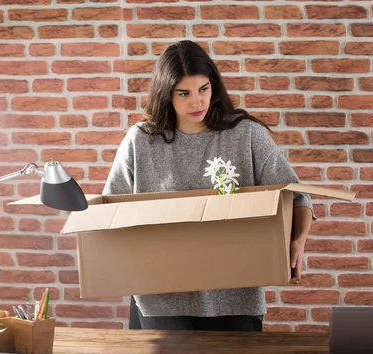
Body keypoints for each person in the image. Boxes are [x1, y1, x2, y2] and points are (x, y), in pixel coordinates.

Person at [103, 40, 314, 332]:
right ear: (166, 94)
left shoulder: (246, 135)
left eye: (203, 89)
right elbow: (110, 212)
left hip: (235, 297)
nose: (197, 102)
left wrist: (298, 241)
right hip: (161, 298)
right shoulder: (141, 141)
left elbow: (297, 196)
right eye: (184, 93)